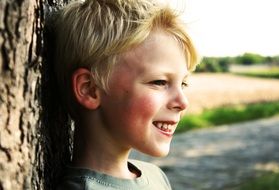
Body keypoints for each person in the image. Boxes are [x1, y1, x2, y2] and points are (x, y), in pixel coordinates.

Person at [54, 0, 199, 189]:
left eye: (183, 83)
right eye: (159, 82)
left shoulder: (156, 176)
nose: (183, 102)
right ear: (90, 89)